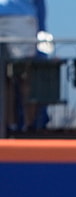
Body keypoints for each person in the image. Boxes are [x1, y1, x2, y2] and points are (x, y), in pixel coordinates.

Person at [0, 0, 38, 132]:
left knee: (24, 74)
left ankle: (28, 127)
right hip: (21, 17)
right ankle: (9, 125)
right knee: (5, 78)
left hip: (20, 17)